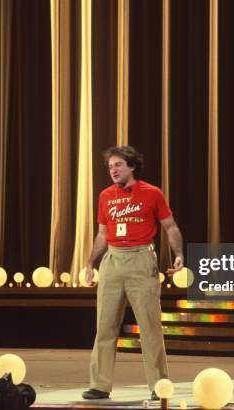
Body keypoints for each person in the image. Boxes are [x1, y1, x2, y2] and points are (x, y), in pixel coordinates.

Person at [82, 146, 184, 401]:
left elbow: (170, 227)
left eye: (118, 165)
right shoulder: (105, 196)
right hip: (113, 260)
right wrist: (91, 263)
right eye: (110, 167)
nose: (113, 170)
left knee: (150, 327)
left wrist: (179, 254)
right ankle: (100, 385)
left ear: (132, 166)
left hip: (141, 259)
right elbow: (103, 234)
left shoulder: (152, 193)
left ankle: (159, 385)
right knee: (104, 326)